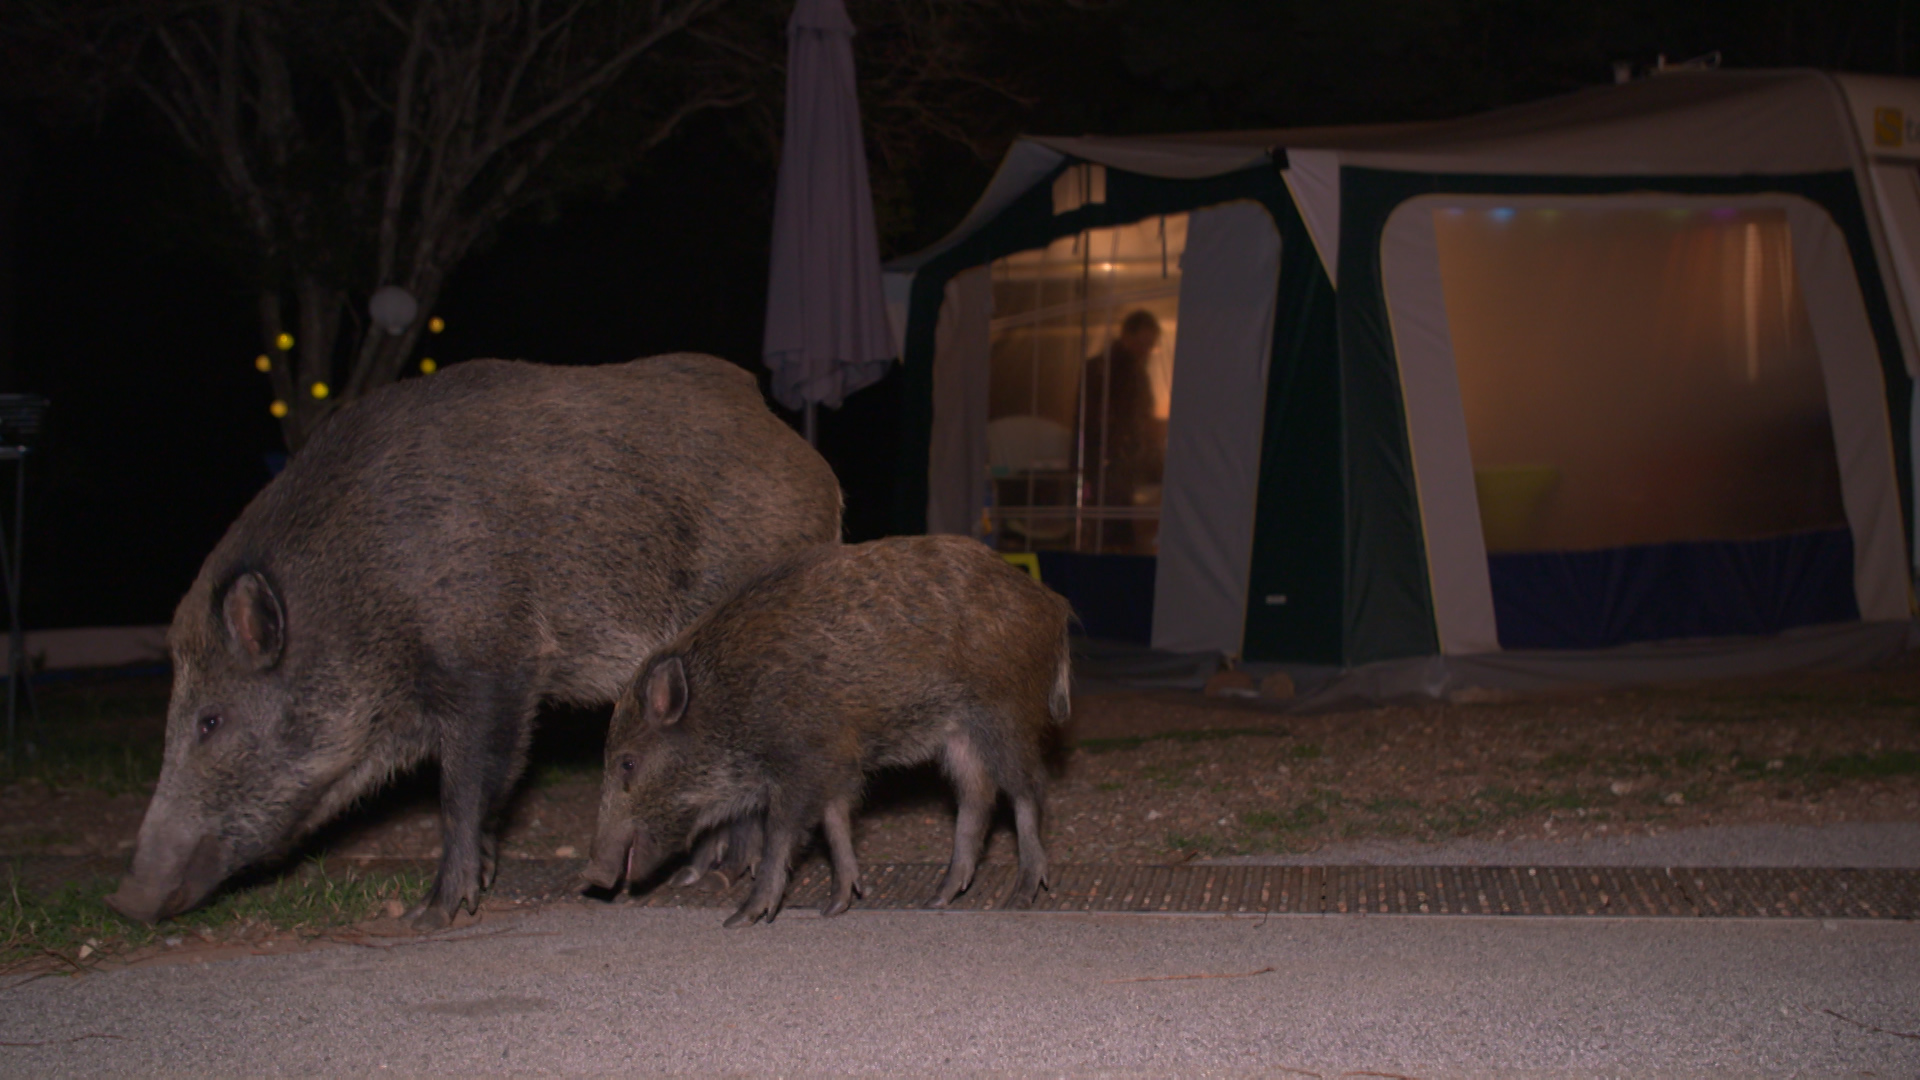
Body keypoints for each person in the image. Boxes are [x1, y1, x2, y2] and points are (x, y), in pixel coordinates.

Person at [1077, 310, 1164, 552]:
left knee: (1115, 526)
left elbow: (1140, 416)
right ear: (1127, 337)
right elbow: (1095, 421)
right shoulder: (1106, 371)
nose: (1145, 350)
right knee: (1111, 529)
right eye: (1142, 343)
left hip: (1118, 464)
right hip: (1108, 463)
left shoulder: (1127, 371)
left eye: (1149, 345)